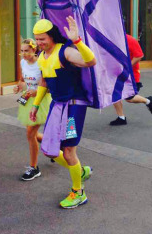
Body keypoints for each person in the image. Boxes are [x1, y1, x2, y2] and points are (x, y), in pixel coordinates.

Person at [30, 16, 96, 209]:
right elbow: (44, 82)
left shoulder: (65, 51)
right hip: (57, 105)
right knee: (50, 148)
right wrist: (35, 105)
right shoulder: (42, 57)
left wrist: (77, 41)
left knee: (68, 151)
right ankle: (80, 171)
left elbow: (90, 61)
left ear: (51, 36)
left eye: (42, 38)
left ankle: (78, 192)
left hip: (74, 105)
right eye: (37, 39)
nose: (39, 43)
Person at [14, 38, 51, 181]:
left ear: (34, 50)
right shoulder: (23, 62)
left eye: (26, 51)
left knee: (30, 133)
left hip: (40, 102)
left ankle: (34, 168)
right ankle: (55, 146)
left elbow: (48, 87)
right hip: (28, 100)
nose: (23, 54)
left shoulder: (41, 63)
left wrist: (35, 92)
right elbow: (23, 80)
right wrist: (19, 86)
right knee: (32, 134)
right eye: (22, 51)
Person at [110, 34, 152, 126]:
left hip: (131, 75)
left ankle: (148, 101)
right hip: (117, 74)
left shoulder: (130, 40)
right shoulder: (112, 39)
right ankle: (121, 118)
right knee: (114, 94)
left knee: (129, 98)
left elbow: (139, 56)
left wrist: (127, 67)